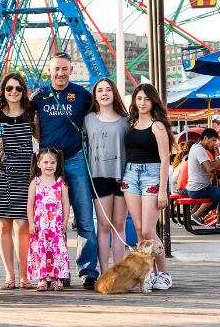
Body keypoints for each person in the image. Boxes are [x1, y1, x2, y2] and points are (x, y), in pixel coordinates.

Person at [31, 51, 98, 290]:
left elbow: (100, 116)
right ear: (49, 70)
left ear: (71, 70)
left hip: (75, 159)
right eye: (56, 69)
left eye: (64, 69)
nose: (60, 73)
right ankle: (57, 269)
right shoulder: (39, 97)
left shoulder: (82, 96)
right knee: (49, 220)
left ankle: (88, 270)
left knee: (84, 217)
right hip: (50, 165)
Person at [0, 72, 34, 289]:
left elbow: (40, 142)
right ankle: (9, 276)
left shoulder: (32, 115)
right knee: (3, 225)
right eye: (9, 88)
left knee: (23, 225)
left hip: (24, 174)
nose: (13, 92)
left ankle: (24, 275)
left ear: (24, 92)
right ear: (3, 91)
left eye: (18, 88)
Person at [121, 84, 173, 291]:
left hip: (152, 176)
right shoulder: (131, 123)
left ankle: (164, 273)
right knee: (139, 230)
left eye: (146, 99)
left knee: (148, 229)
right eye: (139, 98)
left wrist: (162, 189)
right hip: (131, 175)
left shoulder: (157, 125)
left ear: (153, 102)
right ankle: (148, 274)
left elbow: (165, 158)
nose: (142, 103)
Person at [84, 79, 129, 274]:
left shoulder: (126, 120)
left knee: (119, 224)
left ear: (114, 93)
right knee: (103, 225)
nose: (104, 93)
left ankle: (118, 271)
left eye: (108, 89)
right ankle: (104, 272)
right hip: (99, 176)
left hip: (122, 175)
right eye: (100, 90)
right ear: (95, 95)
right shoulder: (88, 119)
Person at [27, 148, 70, 291]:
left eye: (52, 162)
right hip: (40, 226)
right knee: (41, 251)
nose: (49, 165)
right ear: (38, 164)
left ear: (57, 164)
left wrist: (65, 222)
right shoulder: (35, 182)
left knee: (56, 251)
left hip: (56, 226)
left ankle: (56, 278)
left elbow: (66, 203)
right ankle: (42, 278)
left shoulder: (61, 183)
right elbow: (30, 204)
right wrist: (31, 222)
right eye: (45, 162)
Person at [187, 128, 220, 228]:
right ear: (205, 138)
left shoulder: (196, 147)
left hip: (196, 188)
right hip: (200, 189)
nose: (214, 144)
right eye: (213, 140)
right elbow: (210, 168)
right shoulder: (199, 149)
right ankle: (196, 216)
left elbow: (209, 165)